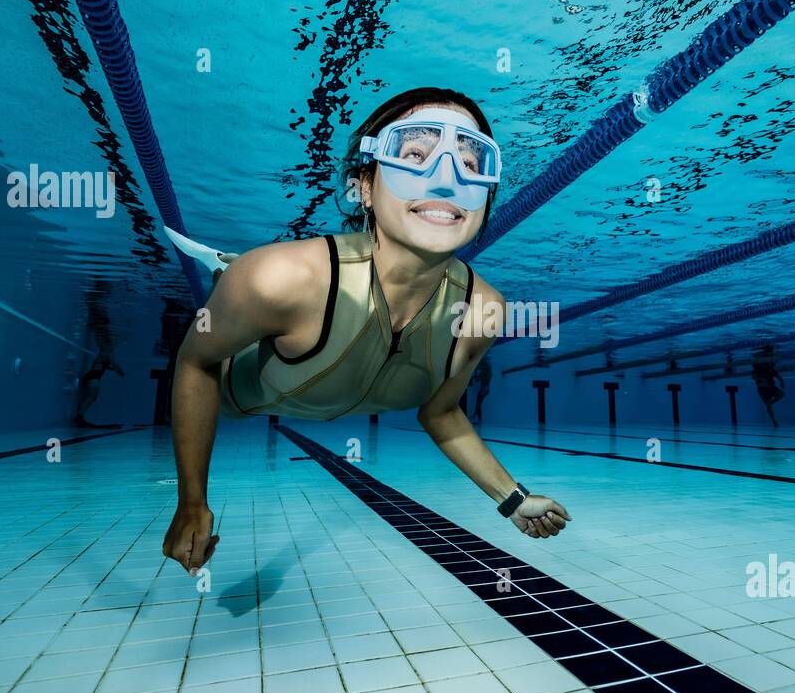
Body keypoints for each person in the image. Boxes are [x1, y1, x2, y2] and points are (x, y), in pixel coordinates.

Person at [162, 88, 571, 575]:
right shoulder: (279, 280)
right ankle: (224, 271)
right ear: (364, 188)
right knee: (242, 289)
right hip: (245, 383)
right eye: (415, 154)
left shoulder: (482, 309)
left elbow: (441, 412)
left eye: (469, 161)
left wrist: (513, 499)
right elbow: (195, 361)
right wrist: (192, 501)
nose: (446, 179)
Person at [73, 348, 124, 427]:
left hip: (93, 376)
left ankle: (80, 416)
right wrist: (121, 372)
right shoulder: (106, 352)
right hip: (94, 376)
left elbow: (108, 365)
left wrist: (116, 370)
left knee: (92, 397)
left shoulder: (103, 355)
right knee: (92, 397)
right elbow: (114, 364)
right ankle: (79, 417)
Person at [750, 344, 785, 427]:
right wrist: (760, 379)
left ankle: (771, 403)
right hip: (762, 389)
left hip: (771, 387)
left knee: (782, 394)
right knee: (768, 405)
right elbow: (754, 377)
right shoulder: (758, 369)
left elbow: (778, 376)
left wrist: (782, 382)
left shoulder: (770, 369)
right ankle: (774, 420)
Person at [469, 354, 492, 424]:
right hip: (485, 388)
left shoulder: (485, 371)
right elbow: (478, 379)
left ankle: (476, 417)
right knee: (478, 403)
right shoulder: (488, 371)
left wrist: (475, 372)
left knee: (478, 403)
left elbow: (477, 379)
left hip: (484, 389)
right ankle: (477, 418)